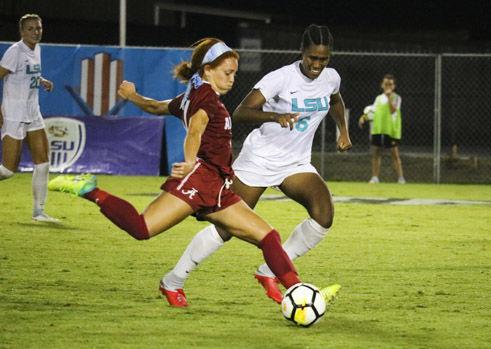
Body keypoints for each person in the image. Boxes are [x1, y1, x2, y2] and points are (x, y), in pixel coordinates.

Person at [47, 38, 303, 307]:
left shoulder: (192, 94)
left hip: (217, 186)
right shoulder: (204, 97)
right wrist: (191, 160)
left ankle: (299, 291)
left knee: (268, 237)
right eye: (227, 73)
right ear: (207, 70)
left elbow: (156, 107)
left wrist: (133, 97)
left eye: (234, 73)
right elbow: (196, 129)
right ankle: (89, 189)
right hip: (201, 178)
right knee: (141, 228)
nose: (232, 78)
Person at [159, 24, 352, 306]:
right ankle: (173, 281)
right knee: (226, 228)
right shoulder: (280, 78)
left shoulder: (331, 77)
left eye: (323, 59)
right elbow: (241, 112)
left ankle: (269, 271)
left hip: (295, 163)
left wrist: (343, 131)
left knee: (324, 214)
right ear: (302, 53)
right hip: (259, 159)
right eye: (312, 57)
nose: (317, 64)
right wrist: (276, 117)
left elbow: (335, 100)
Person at [0, 14, 58, 222]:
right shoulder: (15, 52)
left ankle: (39, 212)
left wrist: (41, 80)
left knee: (42, 162)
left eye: (39, 28)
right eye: (31, 29)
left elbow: (25, 73)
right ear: (22, 32)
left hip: (33, 112)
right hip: (14, 114)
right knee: (7, 170)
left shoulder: (37, 49)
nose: (36, 32)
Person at [358, 74, 405, 184]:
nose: (388, 86)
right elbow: (373, 111)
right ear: (382, 85)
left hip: (391, 130)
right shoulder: (378, 98)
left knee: (395, 154)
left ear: (394, 86)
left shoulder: (396, 98)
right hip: (378, 129)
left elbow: (393, 110)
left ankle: (400, 178)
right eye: (386, 84)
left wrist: (389, 98)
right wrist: (363, 117)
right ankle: (375, 177)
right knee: (376, 153)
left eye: (390, 84)